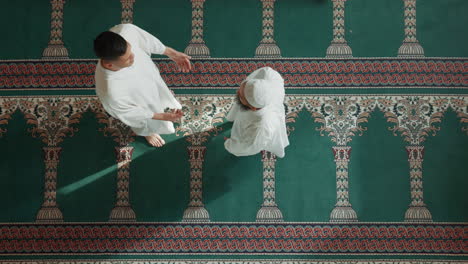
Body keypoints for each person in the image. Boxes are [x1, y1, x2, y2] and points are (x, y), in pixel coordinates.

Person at [94, 23, 191, 147]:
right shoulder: (112, 92)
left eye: (131, 50)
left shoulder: (125, 31)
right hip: (137, 100)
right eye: (128, 58)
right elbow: (131, 113)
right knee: (145, 120)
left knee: (156, 88)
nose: (133, 56)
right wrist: (161, 116)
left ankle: (161, 99)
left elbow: (146, 40)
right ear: (109, 65)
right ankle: (147, 133)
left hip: (147, 75)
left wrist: (173, 53)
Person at [224, 67, 289, 158]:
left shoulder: (261, 128)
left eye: (241, 96)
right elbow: (266, 70)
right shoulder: (271, 78)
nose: (237, 92)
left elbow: (249, 147)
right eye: (243, 87)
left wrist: (230, 145)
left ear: (253, 108)